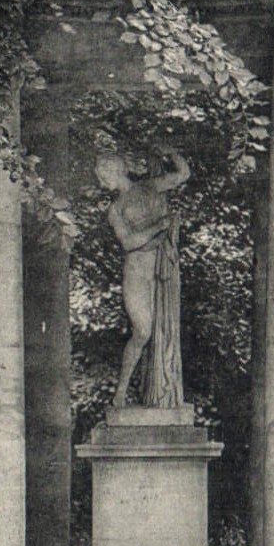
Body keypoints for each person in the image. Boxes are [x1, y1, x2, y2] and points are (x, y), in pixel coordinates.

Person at [95, 146, 189, 408]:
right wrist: (159, 226)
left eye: (103, 176)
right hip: (137, 271)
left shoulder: (150, 187)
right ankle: (120, 392)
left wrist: (168, 149)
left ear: (115, 170)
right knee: (143, 331)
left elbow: (182, 173)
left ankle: (160, 392)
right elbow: (128, 242)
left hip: (163, 268)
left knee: (162, 331)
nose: (102, 182)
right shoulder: (115, 209)